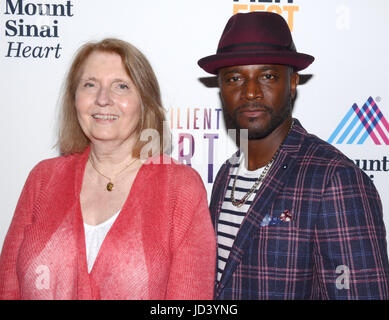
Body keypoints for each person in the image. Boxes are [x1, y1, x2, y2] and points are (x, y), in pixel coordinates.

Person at [0, 38, 216, 300]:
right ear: (75, 99)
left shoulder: (180, 188)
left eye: (121, 86)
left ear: (144, 102)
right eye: (90, 85)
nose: (103, 99)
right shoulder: (43, 178)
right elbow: (7, 286)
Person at [198, 11, 389, 299]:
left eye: (268, 76)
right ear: (221, 89)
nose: (250, 92)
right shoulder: (227, 173)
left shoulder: (334, 178)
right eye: (235, 77)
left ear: (292, 82)